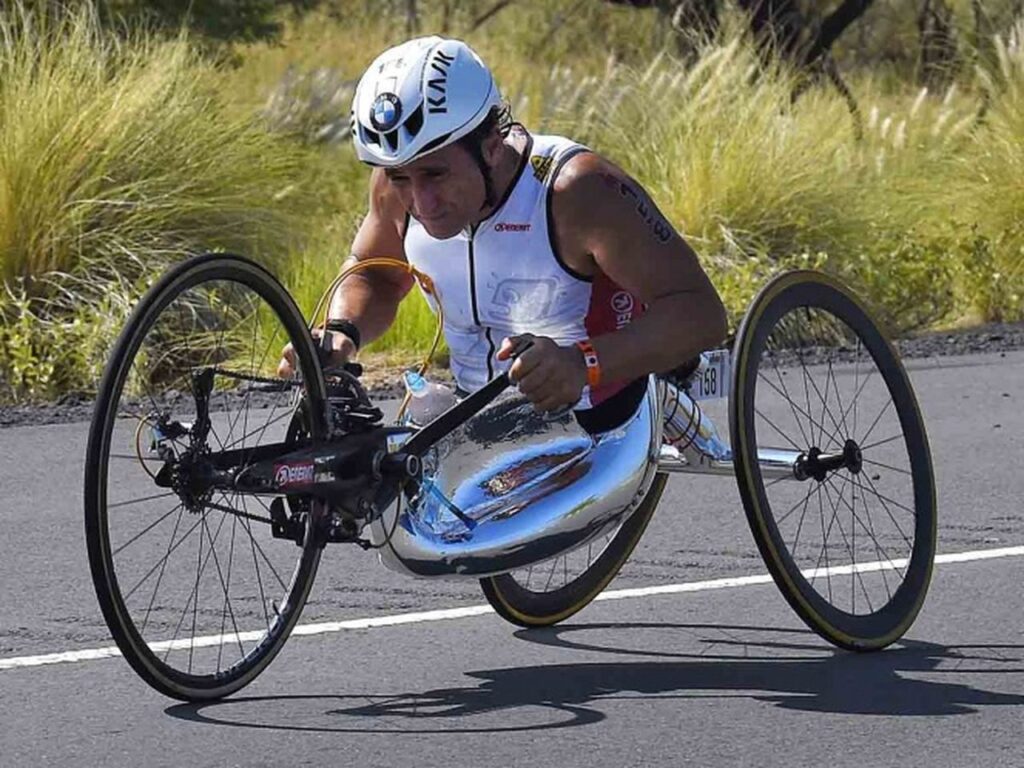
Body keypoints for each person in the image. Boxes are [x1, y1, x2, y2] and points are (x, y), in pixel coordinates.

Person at [279, 35, 727, 432]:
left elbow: (701, 313)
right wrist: (342, 331)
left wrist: (582, 363)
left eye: (436, 174)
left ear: (492, 144)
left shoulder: (577, 191)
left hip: (595, 414)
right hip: (477, 420)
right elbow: (375, 275)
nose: (421, 202)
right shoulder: (396, 187)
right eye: (400, 178)